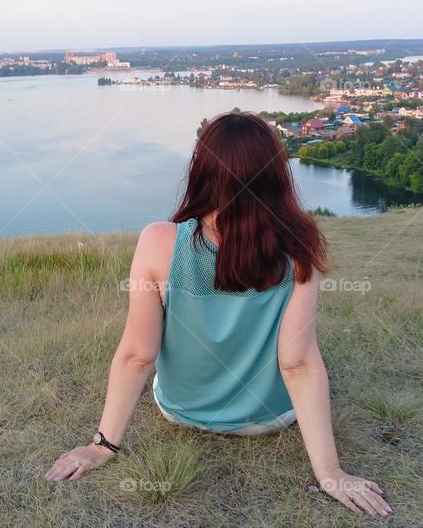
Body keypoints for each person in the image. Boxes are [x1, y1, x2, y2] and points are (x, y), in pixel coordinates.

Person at [45, 111, 391, 517]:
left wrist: (102, 446)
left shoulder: (158, 241)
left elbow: (138, 355)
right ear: (276, 174)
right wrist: (330, 473)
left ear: (202, 170)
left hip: (181, 411)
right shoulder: (299, 244)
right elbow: (297, 364)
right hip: (268, 418)